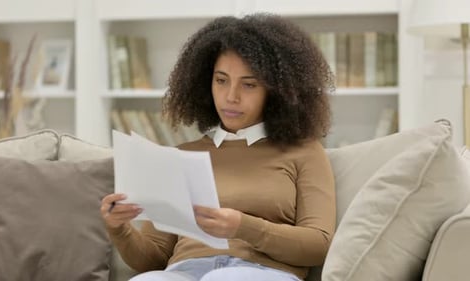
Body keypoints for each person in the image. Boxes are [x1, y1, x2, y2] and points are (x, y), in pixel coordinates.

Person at [101, 13, 336, 281]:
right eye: (221, 80)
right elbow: (152, 258)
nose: (230, 96)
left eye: (248, 84)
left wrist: (242, 226)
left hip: (262, 272)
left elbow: (318, 245)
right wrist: (120, 229)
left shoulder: (304, 151)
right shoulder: (182, 155)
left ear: (276, 91)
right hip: (185, 271)